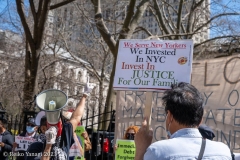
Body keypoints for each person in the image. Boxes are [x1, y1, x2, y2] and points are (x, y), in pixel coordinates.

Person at [134, 82, 232, 160]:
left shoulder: (157, 151)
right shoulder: (223, 151)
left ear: (170, 116)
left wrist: (140, 151)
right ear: (200, 120)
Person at [27, 83, 94, 160]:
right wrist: (48, 145)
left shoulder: (65, 133)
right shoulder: (36, 146)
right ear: (44, 129)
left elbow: (76, 117)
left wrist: (84, 96)